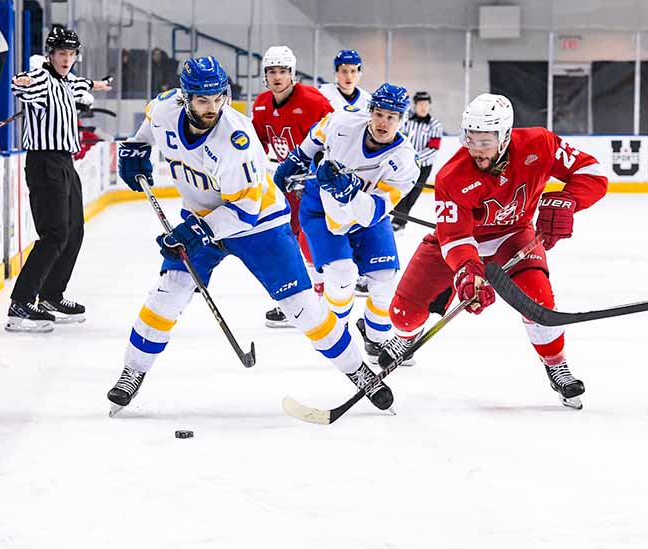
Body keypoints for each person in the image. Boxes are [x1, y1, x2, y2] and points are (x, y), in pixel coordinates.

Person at [107, 56, 394, 414]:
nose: (212, 107)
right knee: (168, 294)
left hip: (260, 225)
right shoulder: (166, 106)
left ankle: (359, 372)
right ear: (185, 98)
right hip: (201, 217)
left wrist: (197, 231)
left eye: (218, 98)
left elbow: (244, 211)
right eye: (202, 100)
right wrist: (136, 147)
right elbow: (151, 124)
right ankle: (132, 371)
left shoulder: (236, 140)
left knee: (301, 308)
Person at [382, 93, 607, 404]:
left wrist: (567, 201)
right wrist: (466, 272)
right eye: (470, 139)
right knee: (403, 315)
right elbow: (455, 236)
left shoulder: (539, 144)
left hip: (514, 237)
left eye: (484, 141)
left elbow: (592, 174)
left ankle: (557, 366)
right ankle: (407, 337)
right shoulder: (452, 175)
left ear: (505, 136)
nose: (476, 149)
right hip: (460, 241)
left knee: (539, 302)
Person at [274, 83, 420, 366]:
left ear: (402, 119)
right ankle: (337, 334)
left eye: (392, 117)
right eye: (379, 114)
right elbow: (319, 132)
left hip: (367, 217)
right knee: (342, 275)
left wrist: (350, 191)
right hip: (320, 209)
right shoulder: (343, 121)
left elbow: (372, 213)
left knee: (384, 281)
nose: (383, 122)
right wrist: (297, 159)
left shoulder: (405, 162)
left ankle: (377, 338)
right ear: (370, 112)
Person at [6, 25, 111, 333]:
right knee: (53, 235)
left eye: (71, 54)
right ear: (49, 55)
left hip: (65, 162)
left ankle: (51, 295)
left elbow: (80, 83)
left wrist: (97, 84)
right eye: (61, 54)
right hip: (44, 162)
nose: (66, 59)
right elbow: (22, 86)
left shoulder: (68, 82)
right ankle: (21, 303)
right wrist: (20, 81)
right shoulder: (40, 77)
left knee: (74, 231)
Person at [251, 45, 333, 328]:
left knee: (308, 238)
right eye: (272, 72)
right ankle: (298, 302)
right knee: (285, 239)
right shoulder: (261, 104)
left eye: (282, 71)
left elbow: (335, 133)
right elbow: (256, 144)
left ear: (292, 74)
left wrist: (322, 170)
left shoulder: (311, 100)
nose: (277, 77)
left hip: (313, 182)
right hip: (285, 182)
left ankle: (321, 299)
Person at [319, 49, 373, 298]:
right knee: (333, 222)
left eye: (353, 71)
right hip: (328, 171)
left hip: (359, 170)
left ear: (359, 73)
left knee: (359, 218)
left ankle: (361, 273)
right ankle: (328, 274)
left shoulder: (368, 100)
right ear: (336, 73)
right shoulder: (324, 95)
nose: (348, 75)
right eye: (343, 71)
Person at [391, 91, 444, 232]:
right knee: (401, 191)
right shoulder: (406, 122)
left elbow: (433, 149)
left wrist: (414, 157)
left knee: (413, 194)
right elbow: (399, 140)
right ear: (415, 105)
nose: (423, 107)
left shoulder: (435, 125)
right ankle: (398, 221)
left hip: (424, 166)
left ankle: (399, 221)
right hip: (405, 164)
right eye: (420, 104)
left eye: (426, 104)